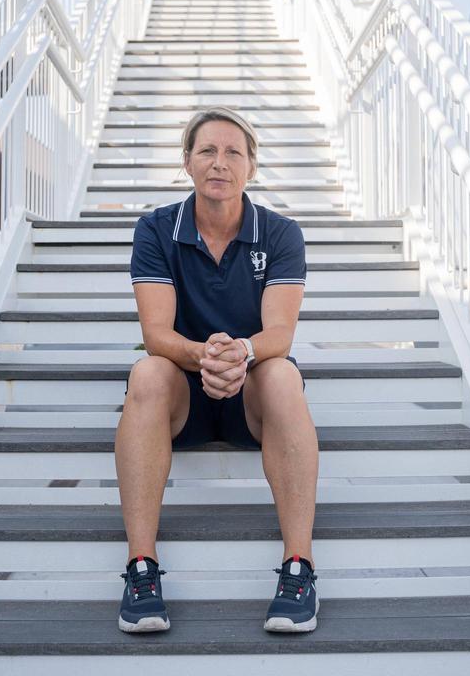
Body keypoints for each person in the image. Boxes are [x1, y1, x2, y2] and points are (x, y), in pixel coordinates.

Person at [116, 106, 320, 634]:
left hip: (252, 389)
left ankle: (299, 568)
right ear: (186, 162)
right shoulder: (156, 229)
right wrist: (205, 357)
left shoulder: (281, 234)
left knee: (283, 374)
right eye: (207, 150)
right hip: (183, 391)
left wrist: (241, 356)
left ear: (251, 166)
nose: (219, 163)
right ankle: (142, 570)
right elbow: (156, 333)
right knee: (146, 372)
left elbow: (279, 336)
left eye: (233, 152)